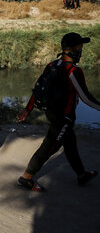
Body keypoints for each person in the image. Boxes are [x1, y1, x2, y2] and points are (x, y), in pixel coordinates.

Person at [17, 32, 99, 192]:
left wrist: (28, 109)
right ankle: (27, 178)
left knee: (70, 143)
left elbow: (38, 89)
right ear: (73, 49)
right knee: (50, 146)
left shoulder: (52, 65)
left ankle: (82, 175)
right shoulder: (73, 71)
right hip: (64, 117)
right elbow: (86, 98)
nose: (81, 51)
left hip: (52, 113)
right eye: (80, 47)